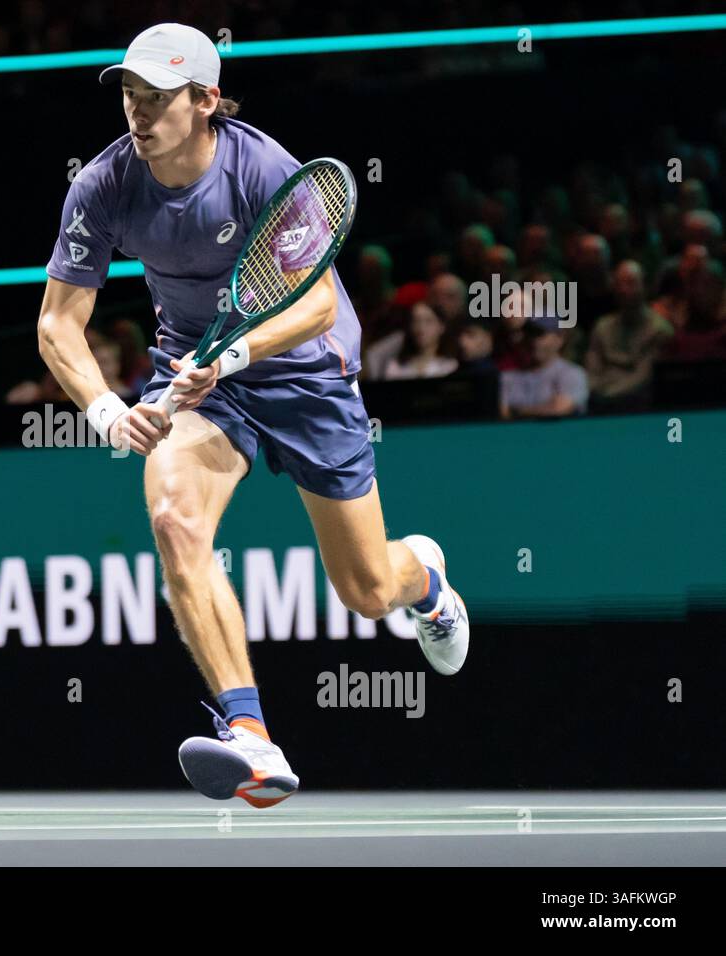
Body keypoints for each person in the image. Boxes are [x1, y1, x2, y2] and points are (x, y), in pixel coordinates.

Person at [37, 23, 469, 808]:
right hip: (198, 374)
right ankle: (251, 736)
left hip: (303, 375)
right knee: (174, 520)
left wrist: (229, 357)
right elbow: (58, 323)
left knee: (367, 591)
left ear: (205, 101)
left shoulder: (263, 167)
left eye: (158, 98)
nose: (138, 112)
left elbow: (316, 307)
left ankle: (426, 581)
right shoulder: (102, 185)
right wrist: (105, 410)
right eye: (130, 94)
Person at [586, 261, 673, 412]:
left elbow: (643, 377)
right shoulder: (602, 326)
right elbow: (592, 371)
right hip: (599, 405)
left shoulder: (660, 330)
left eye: (631, 283)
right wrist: (593, 392)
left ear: (645, 287)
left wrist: (606, 396)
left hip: (639, 407)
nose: (624, 290)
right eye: (619, 283)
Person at [499, 317, 589, 419]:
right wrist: (543, 408)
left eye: (539, 334)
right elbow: (501, 412)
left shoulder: (572, 373)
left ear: (560, 338)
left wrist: (516, 410)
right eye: (529, 334)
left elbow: (558, 409)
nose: (532, 340)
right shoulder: (507, 377)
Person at [382, 302, 458, 380]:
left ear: (442, 326)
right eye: (416, 321)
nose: (421, 328)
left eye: (428, 321)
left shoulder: (450, 366)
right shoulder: (396, 367)